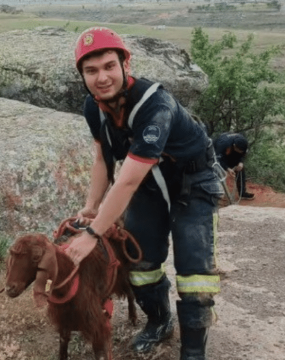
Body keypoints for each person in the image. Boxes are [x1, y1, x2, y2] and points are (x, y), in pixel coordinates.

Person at [64, 27, 222, 360]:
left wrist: (93, 234)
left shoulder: (155, 105)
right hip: (151, 185)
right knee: (141, 264)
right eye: (91, 71)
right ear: (82, 76)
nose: (101, 77)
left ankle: (194, 351)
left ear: (125, 64)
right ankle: (160, 321)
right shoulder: (94, 108)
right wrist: (91, 207)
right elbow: (102, 159)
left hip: (192, 185)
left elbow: (127, 181)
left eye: (109, 66)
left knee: (194, 274)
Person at [213, 132, 255, 200]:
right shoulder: (222, 144)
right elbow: (218, 160)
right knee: (218, 172)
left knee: (240, 169)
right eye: (240, 151)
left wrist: (240, 162)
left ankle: (242, 193)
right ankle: (214, 193)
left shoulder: (243, 141)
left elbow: (242, 154)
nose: (241, 152)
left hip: (232, 153)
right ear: (235, 146)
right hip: (217, 155)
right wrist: (227, 168)